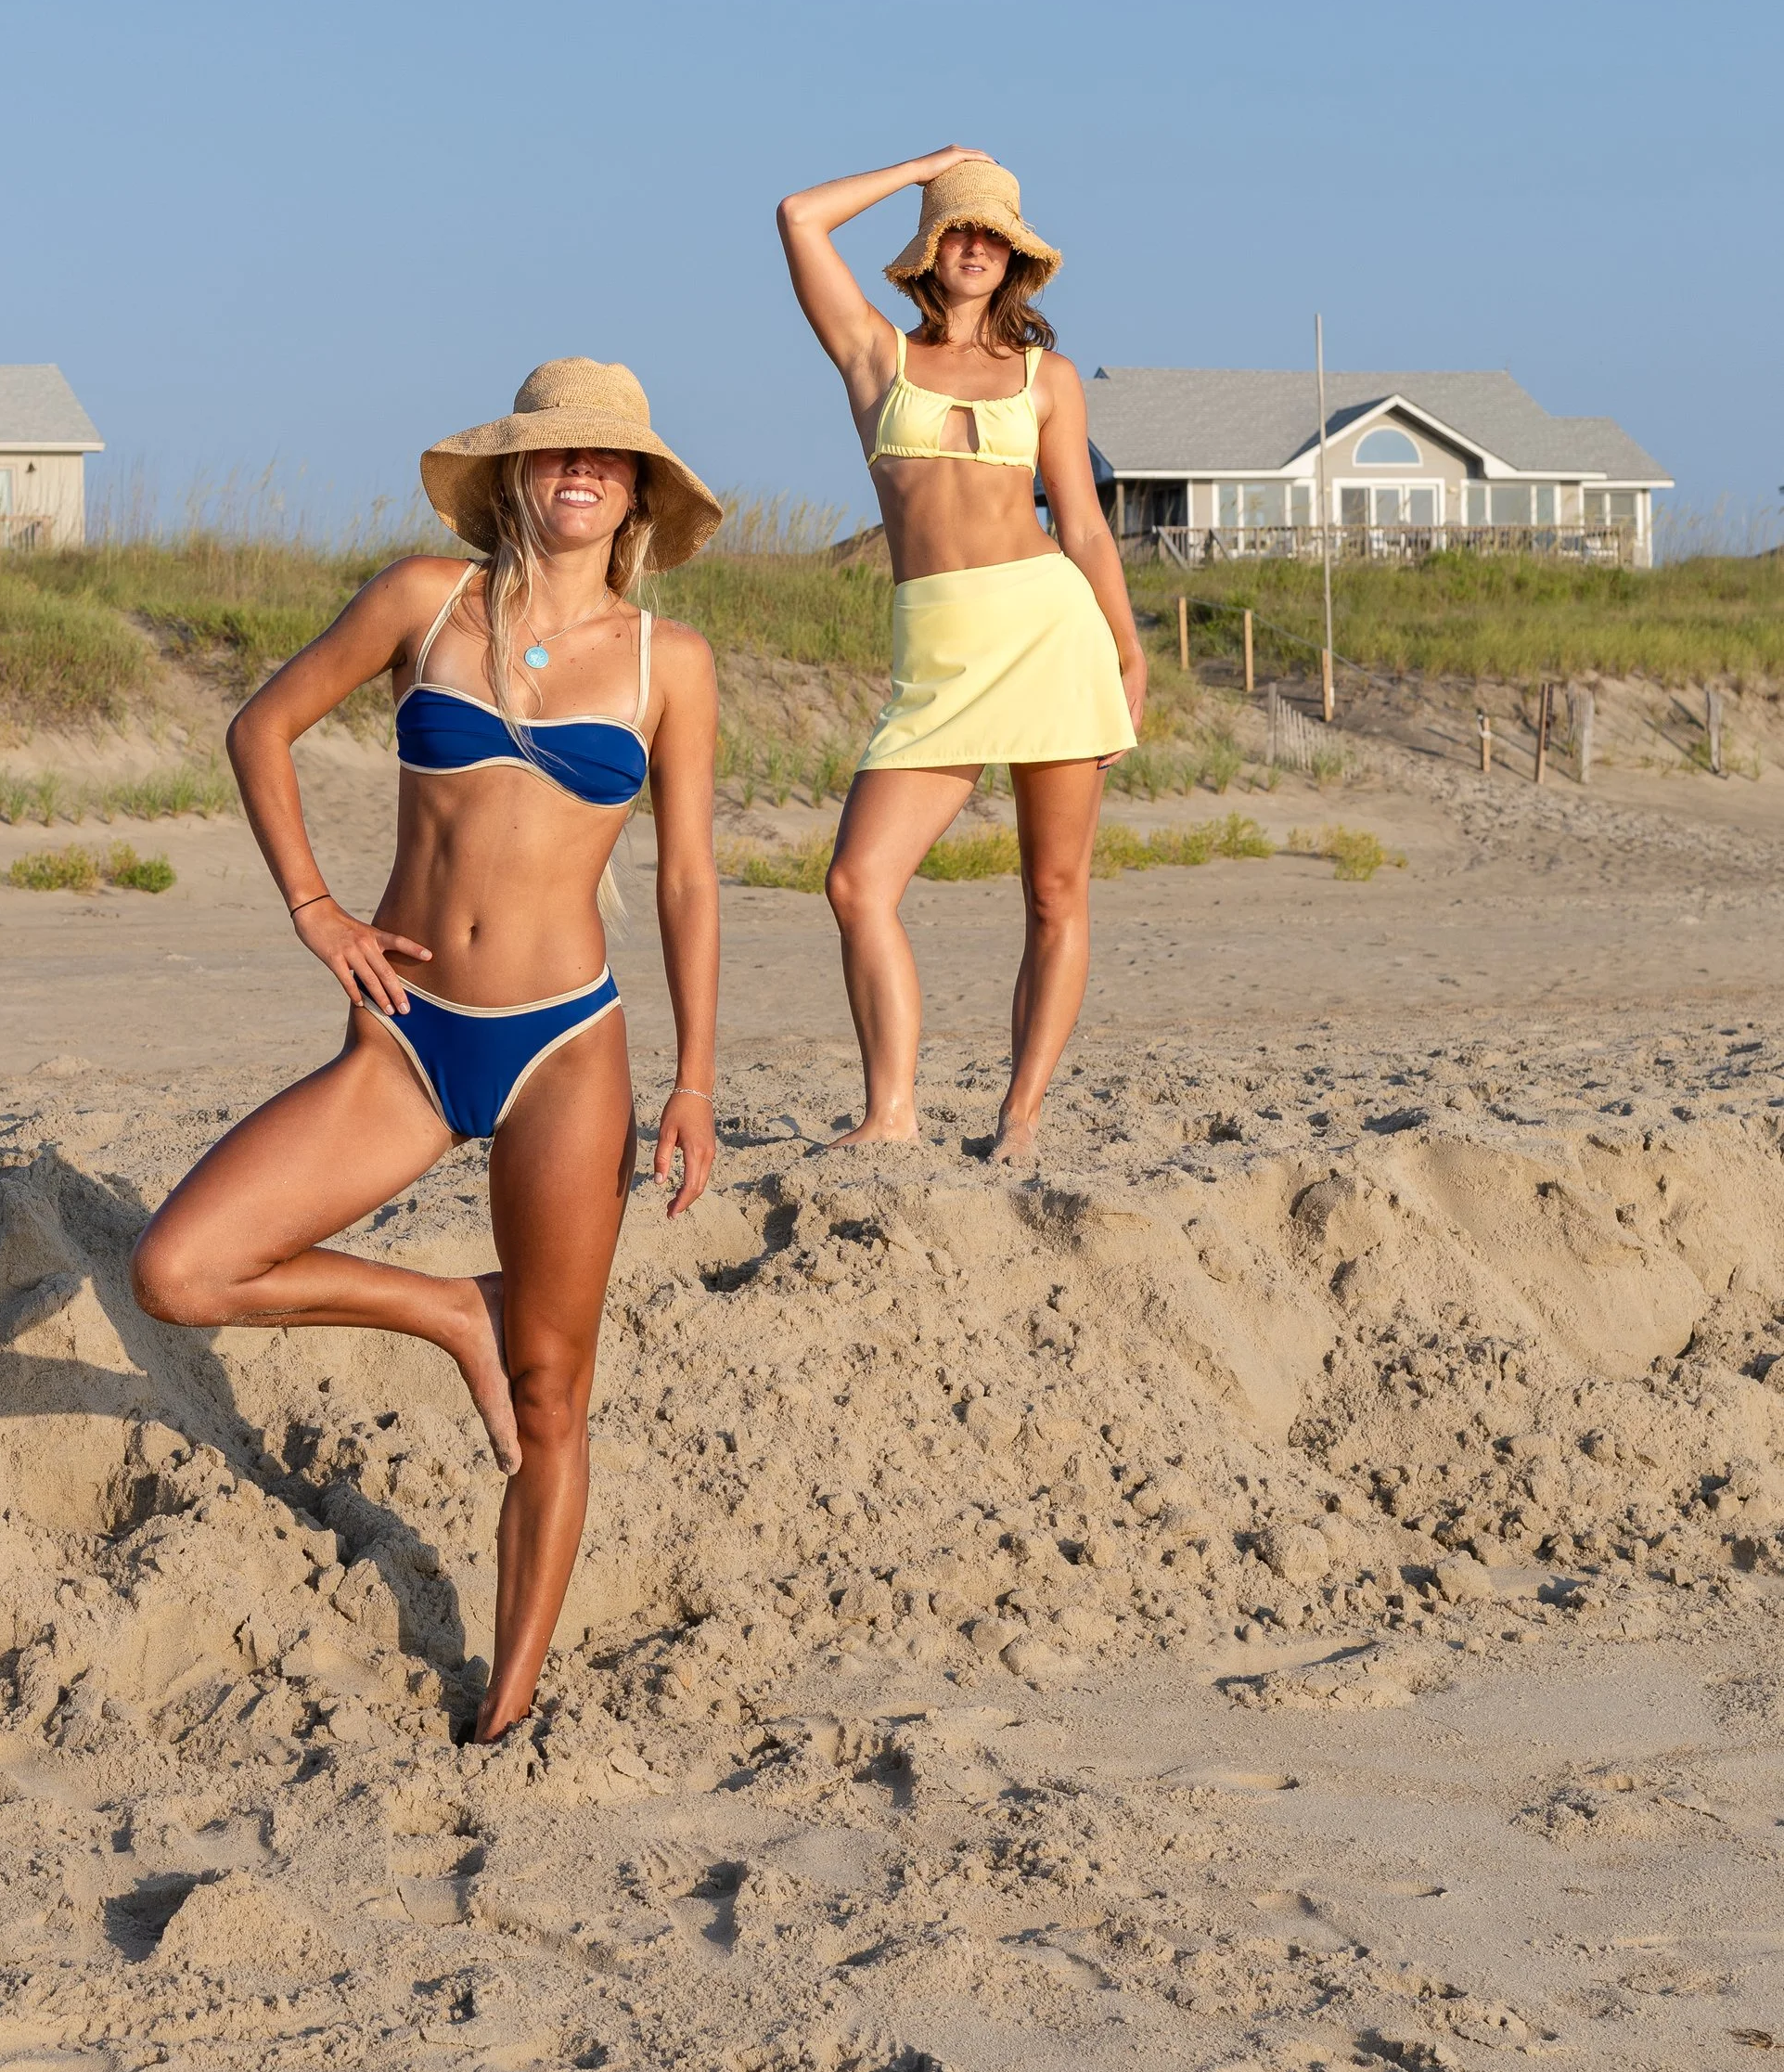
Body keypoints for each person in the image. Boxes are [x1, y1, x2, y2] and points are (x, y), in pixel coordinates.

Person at [129, 359, 722, 1747]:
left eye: (606, 457)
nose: (578, 473)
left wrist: (695, 1077)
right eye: (554, 453)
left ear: (636, 489)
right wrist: (315, 908)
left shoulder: (665, 662)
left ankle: (506, 1697)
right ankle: (451, 1306)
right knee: (178, 1268)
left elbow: (689, 879)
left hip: (565, 1044)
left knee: (553, 1391)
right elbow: (257, 726)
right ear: (515, 473)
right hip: (406, 1036)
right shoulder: (422, 602)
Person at [776, 148, 1148, 1163]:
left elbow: (1082, 526)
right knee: (857, 882)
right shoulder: (872, 357)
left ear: (1014, 258)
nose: (975, 245)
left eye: (993, 232)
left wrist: (1129, 655)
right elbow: (799, 216)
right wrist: (925, 171)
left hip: (1048, 633)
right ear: (929, 251)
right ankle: (890, 1112)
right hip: (937, 652)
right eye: (957, 228)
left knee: (1053, 891)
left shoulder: (1047, 378)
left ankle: (1020, 1116)